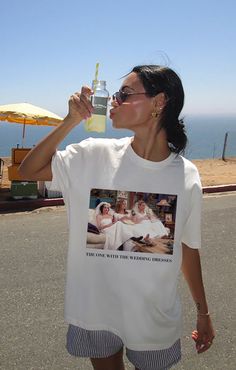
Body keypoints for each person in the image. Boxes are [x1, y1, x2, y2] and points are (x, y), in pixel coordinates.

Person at [19, 65, 215, 370]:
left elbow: (188, 248)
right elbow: (27, 171)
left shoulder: (186, 176)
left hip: (153, 320)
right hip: (96, 312)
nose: (113, 101)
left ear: (158, 102)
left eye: (124, 94)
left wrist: (203, 314)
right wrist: (70, 120)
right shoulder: (92, 155)